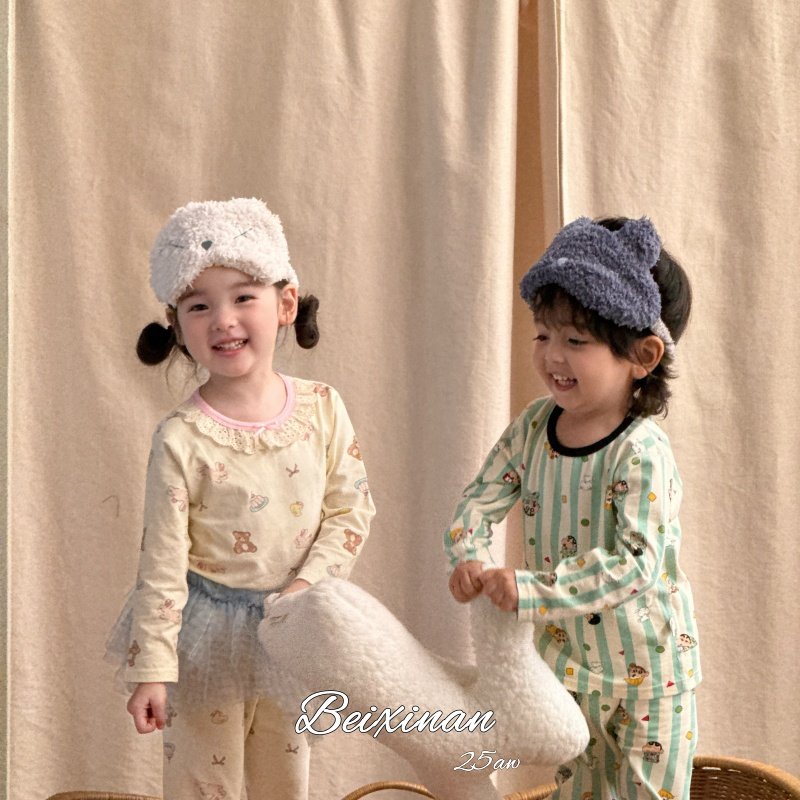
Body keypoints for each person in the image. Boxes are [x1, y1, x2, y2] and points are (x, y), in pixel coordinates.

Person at [106, 198, 375, 799]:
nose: (223, 320)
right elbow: (161, 564)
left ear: (285, 304)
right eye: (199, 306)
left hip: (293, 631)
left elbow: (351, 510)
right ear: (177, 325)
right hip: (206, 643)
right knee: (203, 783)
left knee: (285, 780)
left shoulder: (323, 408)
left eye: (243, 297)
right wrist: (153, 669)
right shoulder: (180, 438)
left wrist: (305, 589)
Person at [445, 216, 700, 800]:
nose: (552, 355)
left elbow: (636, 564)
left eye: (576, 341)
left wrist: (532, 590)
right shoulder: (535, 426)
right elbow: (480, 498)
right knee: (576, 790)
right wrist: (468, 556)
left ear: (643, 355)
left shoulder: (642, 451)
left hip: (651, 678)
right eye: (543, 335)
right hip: (566, 670)